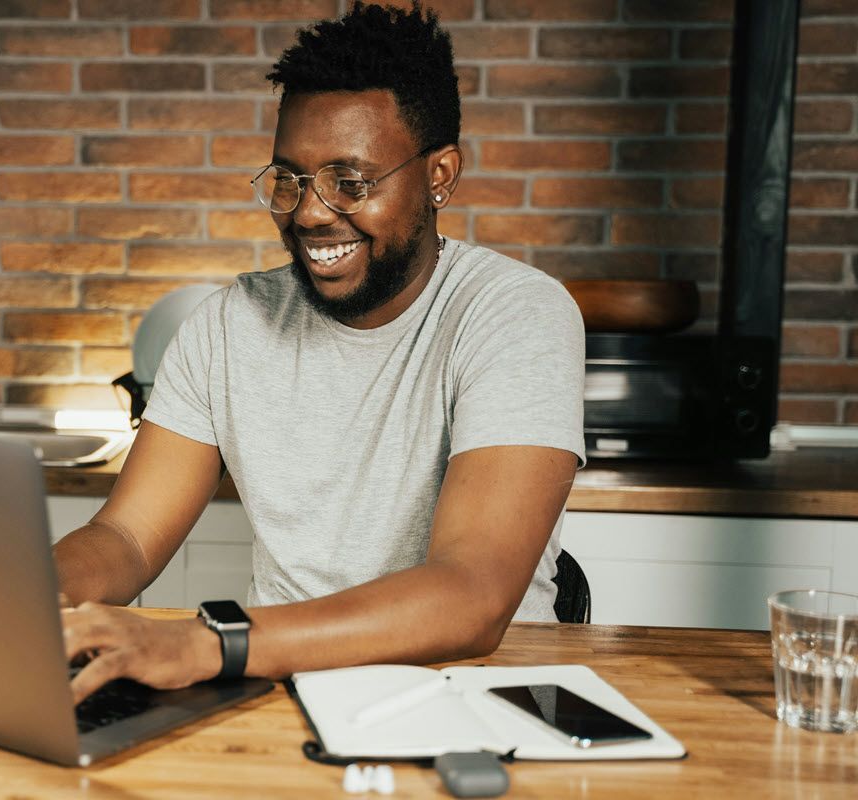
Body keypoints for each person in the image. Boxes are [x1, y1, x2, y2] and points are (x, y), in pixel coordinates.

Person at [55, 1, 585, 703]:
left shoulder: (515, 314)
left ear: (440, 176)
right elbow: (125, 536)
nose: (308, 212)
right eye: (291, 179)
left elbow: (473, 596)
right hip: (276, 691)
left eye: (350, 182)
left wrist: (211, 643)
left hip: (476, 698)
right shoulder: (227, 326)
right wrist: (23, 593)